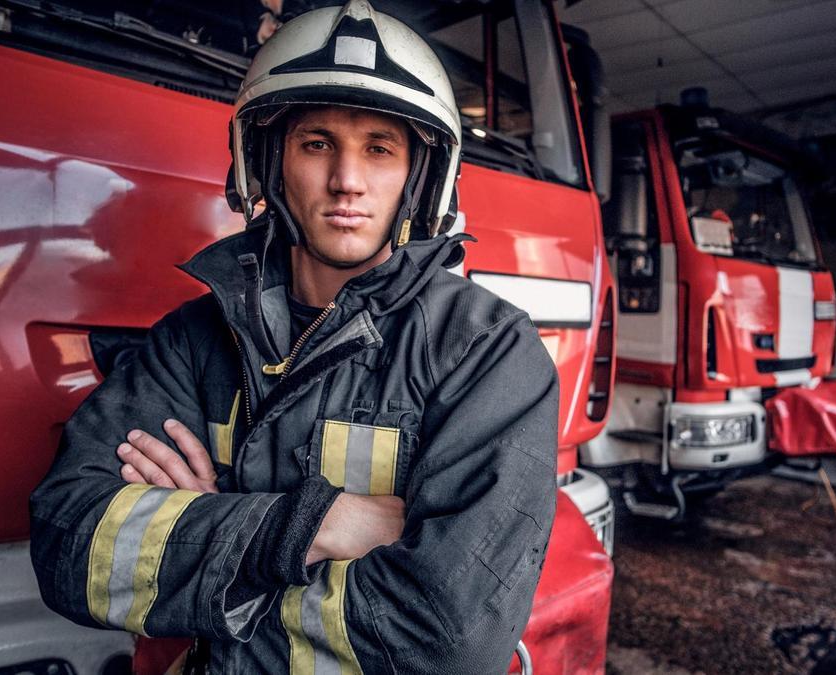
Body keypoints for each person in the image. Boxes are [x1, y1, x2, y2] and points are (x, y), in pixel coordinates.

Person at [28, 1, 559, 672]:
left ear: (421, 177)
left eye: (379, 148)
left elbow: (447, 636)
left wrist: (216, 537)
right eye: (317, 143)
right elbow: (69, 542)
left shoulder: (488, 353)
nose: (347, 180)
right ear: (268, 160)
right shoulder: (192, 342)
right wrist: (315, 526)